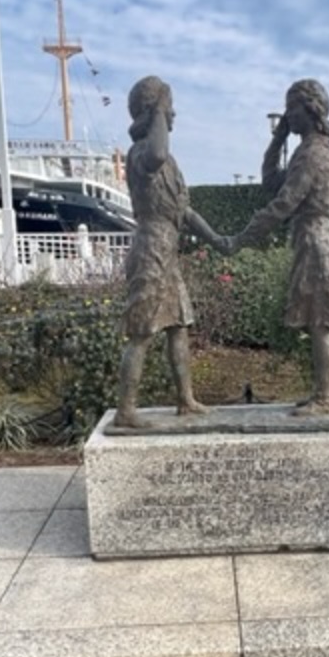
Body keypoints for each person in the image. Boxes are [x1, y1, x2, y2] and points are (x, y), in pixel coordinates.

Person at [222, 79, 329, 416]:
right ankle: (321, 393)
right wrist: (277, 138)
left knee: (321, 323)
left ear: (308, 110)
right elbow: (270, 182)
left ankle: (326, 397)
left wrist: (241, 238)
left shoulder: (313, 154)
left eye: (291, 108)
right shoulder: (308, 149)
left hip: (316, 243)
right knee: (317, 322)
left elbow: (283, 204)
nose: (287, 116)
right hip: (309, 241)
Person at [114, 76, 225, 428]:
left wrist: (218, 239)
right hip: (150, 250)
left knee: (179, 326)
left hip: (167, 252)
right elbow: (157, 153)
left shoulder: (170, 162)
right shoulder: (141, 153)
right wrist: (160, 108)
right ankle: (126, 410)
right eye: (168, 109)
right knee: (142, 333)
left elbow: (184, 211)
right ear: (155, 112)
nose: (173, 115)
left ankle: (186, 400)